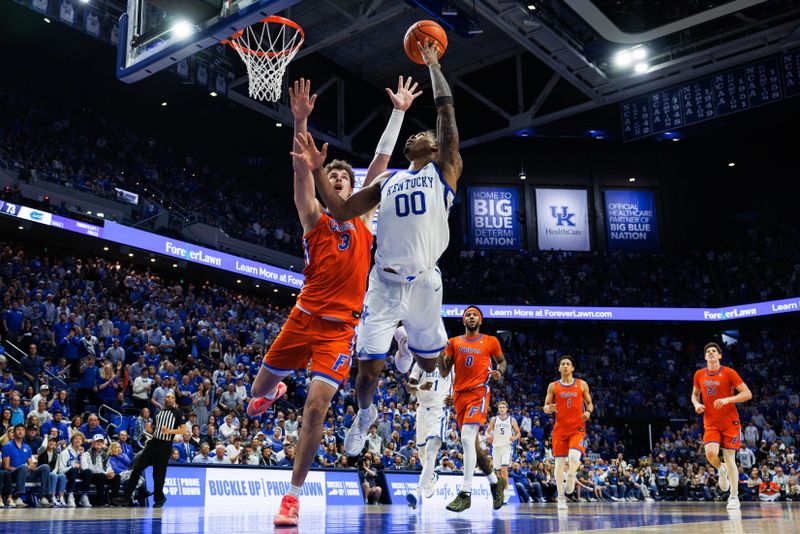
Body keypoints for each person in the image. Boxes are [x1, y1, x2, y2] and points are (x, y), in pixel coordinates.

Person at [249, 76, 419, 527]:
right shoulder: (313, 218)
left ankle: (292, 496)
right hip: (302, 318)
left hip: (339, 330)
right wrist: (300, 120)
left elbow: (382, 160)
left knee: (318, 406)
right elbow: (301, 171)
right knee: (256, 394)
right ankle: (274, 388)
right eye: (336, 177)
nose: (340, 182)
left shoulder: (363, 217)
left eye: (345, 178)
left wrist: (399, 111)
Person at [291, 40, 461, 463]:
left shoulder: (445, 172)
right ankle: (365, 415)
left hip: (424, 282)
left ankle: (412, 355)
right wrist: (316, 169)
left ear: (437, 149)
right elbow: (342, 208)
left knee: (433, 362)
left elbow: (445, 113)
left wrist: (434, 64)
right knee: (366, 375)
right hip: (383, 283)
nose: (418, 136)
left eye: (424, 135)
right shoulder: (387, 183)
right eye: (415, 133)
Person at [439, 306, 507, 512]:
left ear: (480, 321)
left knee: (467, 439)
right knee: (474, 449)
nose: (471, 317)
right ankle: (496, 483)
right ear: (463, 320)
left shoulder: (490, 341)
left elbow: (502, 362)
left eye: (474, 315)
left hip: (479, 392)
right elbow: (443, 371)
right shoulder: (453, 342)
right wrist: (436, 354)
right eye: (467, 314)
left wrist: (499, 372)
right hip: (459, 396)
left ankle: (465, 493)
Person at [691, 342, 752, 510]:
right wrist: (696, 404)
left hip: (730, 422)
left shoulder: (729, 372)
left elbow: (747, 393)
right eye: (708, 351)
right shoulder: (699, 375)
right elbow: (694, 395)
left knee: (730, 458)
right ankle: (721, 469)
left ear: (719, 355)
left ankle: (734, 497)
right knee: (710, 455)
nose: (710, 353)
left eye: (714, 351)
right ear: (705, 357)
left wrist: (727, 399)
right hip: (710, 422)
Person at [113, 391, 185, 507]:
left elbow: (182, 430)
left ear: (174, 400)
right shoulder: (158, 413)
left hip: (165, 445)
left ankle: (159, 498)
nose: (170, 399)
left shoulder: (177, 412)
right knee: (137, 468)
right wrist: (149, 428)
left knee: (158, 475)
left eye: (172, 397)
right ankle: (126, 497)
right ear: (164, 399)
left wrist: (170, 431)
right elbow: (153, 428)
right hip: (153, 444)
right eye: (168, 397)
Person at [543, 355, 594, 510]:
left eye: (568, 364)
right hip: (559, 429)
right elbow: (545, 406)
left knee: (573, 456)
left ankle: (571, 475)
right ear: (559, 368)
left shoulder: (582, 384)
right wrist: (547, 409)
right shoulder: (553, 386)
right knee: (558, 464)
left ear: (572, 368)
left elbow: (589, 403)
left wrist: (589, 412)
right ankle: (560, 497)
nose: (565, 366)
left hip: (578, 428)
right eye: (563, 364)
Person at [404, 360, 452, 509]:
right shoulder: (421, 364)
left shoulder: (450, 365)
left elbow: (461, 386)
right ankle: (431, 478)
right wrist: (420, 386)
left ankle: (417, 494)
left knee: (431, 454)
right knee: (423, 455)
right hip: (422, 412)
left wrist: (454, 398)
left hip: (439, 412)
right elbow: (408, 387)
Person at [486, 401, 521, 504]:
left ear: (506, 409)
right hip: (496, 448)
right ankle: (500, 492)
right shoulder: (494, 419)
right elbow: (487, 431)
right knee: (498, 472)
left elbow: (518, 433)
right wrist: (488, 436)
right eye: (500, 407)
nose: (501, 409)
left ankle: (506, 493)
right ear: (498, 409)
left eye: (503, 407)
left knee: (504, 470)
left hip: (506, 447)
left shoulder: (512, 420)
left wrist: (514, 437)